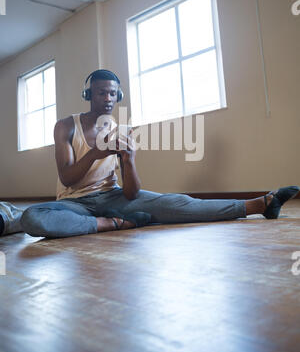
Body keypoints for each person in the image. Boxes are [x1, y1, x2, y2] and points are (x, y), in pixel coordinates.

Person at [17, 69, 298, 239]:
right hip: (74, 203)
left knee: (176, 203)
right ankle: (112, 224)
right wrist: (94, 153)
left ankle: (261, 204)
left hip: (114, 197)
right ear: (88, 94)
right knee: (33, 218)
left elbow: (130, 193)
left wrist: (130, 161)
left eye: (113, 94)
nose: (108, 99)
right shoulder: (66, 126)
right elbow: (67, 179)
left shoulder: (120, 128)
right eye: (101, 93)